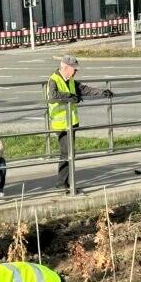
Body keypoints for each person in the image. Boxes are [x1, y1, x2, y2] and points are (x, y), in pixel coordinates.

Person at [47, 55, 113, 192]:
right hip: (61, 124)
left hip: (71, 122)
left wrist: (102, 92)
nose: (76, 72)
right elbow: (53, 96)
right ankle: (63, 183)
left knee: (69, 153)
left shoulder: (71, 80)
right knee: (67, 153)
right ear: (65, 67)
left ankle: (66, 183)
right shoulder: (54, 79)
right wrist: (70, 97)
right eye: (74, 69)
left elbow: (85, 89)